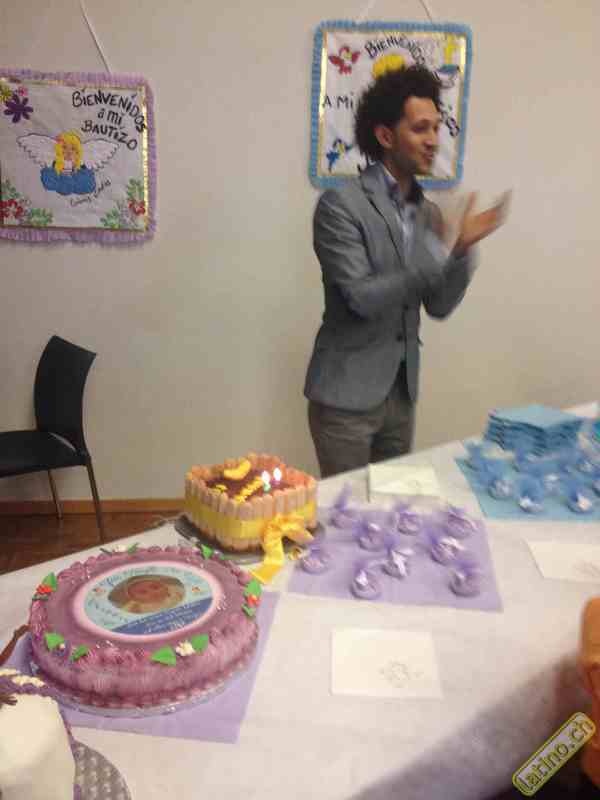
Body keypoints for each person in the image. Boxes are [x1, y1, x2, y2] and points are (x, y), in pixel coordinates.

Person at [304, 65, 509, 478]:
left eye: (436, 127)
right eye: (420, 128)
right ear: (385, 136)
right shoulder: (340, 205)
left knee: (394, 506)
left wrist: (461, 250)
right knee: (347, 509)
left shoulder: (428, 213)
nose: (433, 140)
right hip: (345, 399)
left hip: (401, 396)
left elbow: (438, 305)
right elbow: (361, 297)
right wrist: (440, 250)